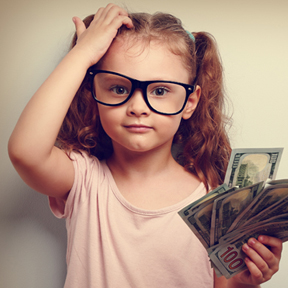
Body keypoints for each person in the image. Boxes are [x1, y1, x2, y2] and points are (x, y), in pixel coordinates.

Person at [8, 3, 282, 288]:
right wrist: (84, 53)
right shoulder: (84, 179)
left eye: (160, 90)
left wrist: (242, 282)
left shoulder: (214, 201)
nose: (137, 107)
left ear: (190, 102)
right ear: (94, 92)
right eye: (119, 88)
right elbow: (25, 152)